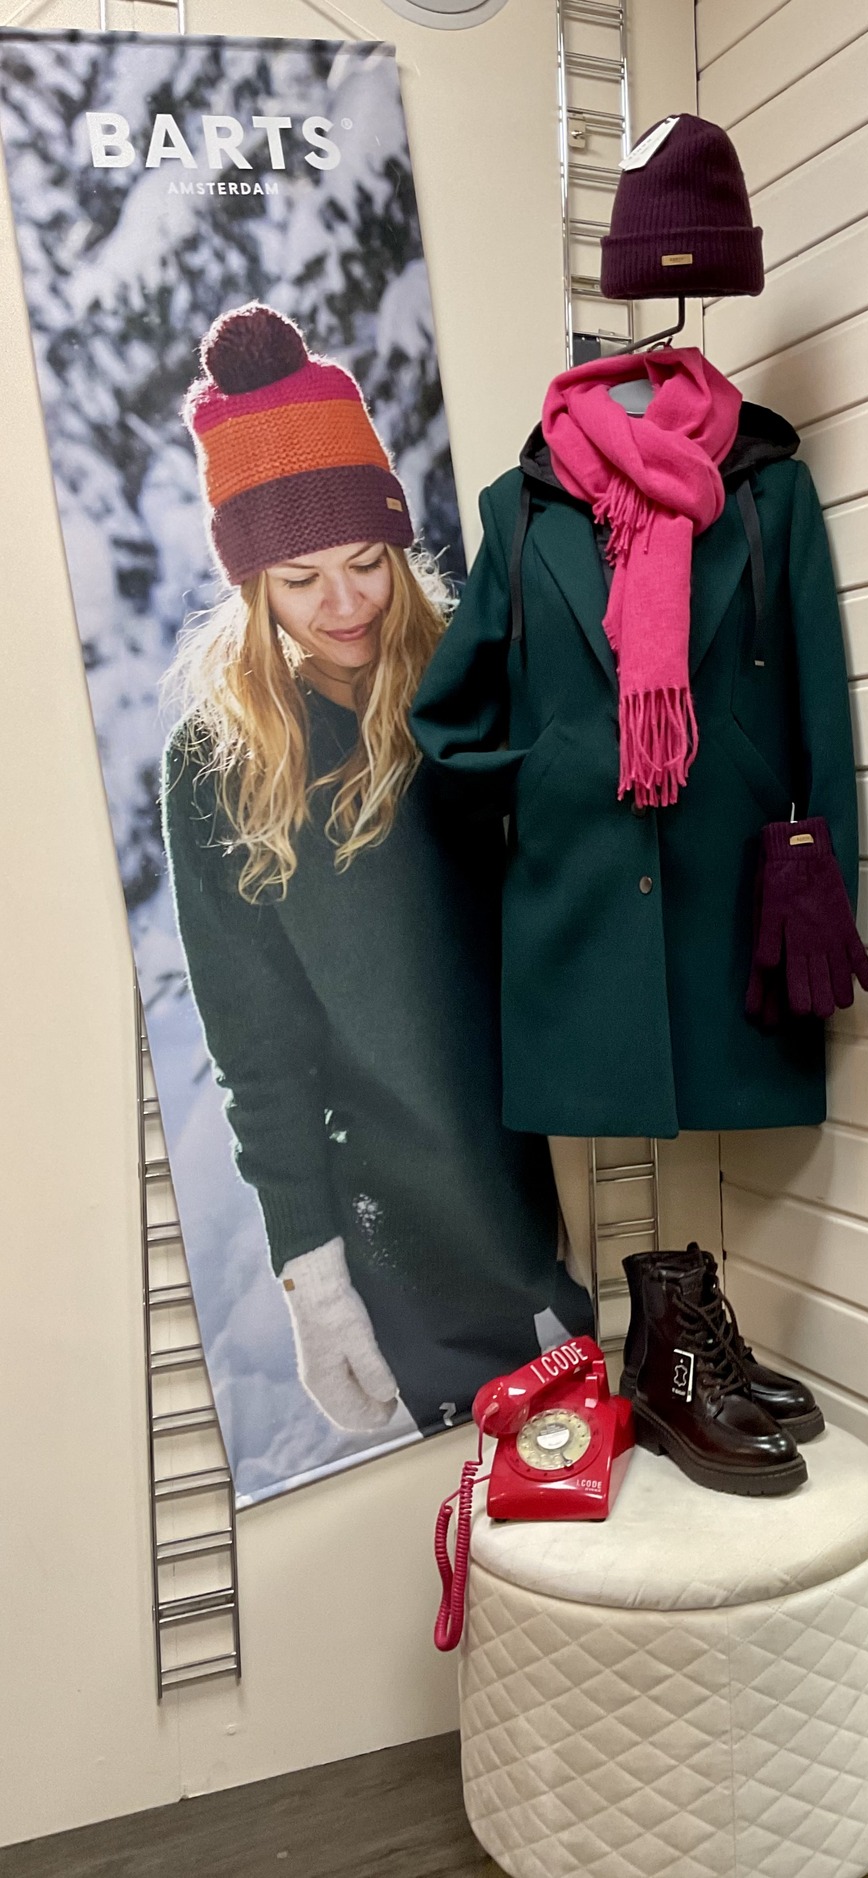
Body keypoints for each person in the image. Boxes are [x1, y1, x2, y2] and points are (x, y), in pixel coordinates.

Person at [162, 302, 591, 1437]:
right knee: (497, 1502)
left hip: (571, 1167)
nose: (345, 604)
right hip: (401, 1233)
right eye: (300, 580)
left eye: (366, 563)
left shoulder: (469, 677)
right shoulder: (218, 763)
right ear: (252, 587)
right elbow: (255, 1044)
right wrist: (310, 1272)